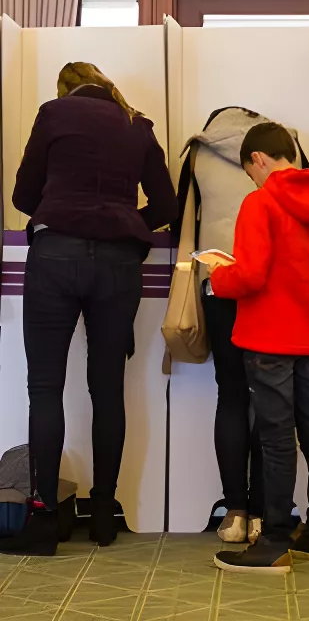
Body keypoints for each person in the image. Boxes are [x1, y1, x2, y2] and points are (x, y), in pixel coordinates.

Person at [0, 62, 177, 557]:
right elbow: (167, 206)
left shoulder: (53, 114)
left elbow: (22, 196)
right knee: (108, 389)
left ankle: (42, 522)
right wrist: (126, 221)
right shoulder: (137, 125)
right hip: (119, 265)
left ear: (66, 91)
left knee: (44, 390)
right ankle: (103, 516)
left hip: (55, 257)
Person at [210, 122, 309, 574]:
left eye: (249, 171)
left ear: (258, 159)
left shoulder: (259, 202)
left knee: (277, 438)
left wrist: (217, 276)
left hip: (266, 336)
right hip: (308, 335)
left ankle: (276, 542)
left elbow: (249, 275)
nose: (253, 179)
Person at [177, 107, 308, 545]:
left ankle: (234, 511)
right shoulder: (287, 146)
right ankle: (264, 513)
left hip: (219, 287)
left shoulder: (198, 151)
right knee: (269, 398)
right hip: (273, 291)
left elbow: (185, 219)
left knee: (231, 393)